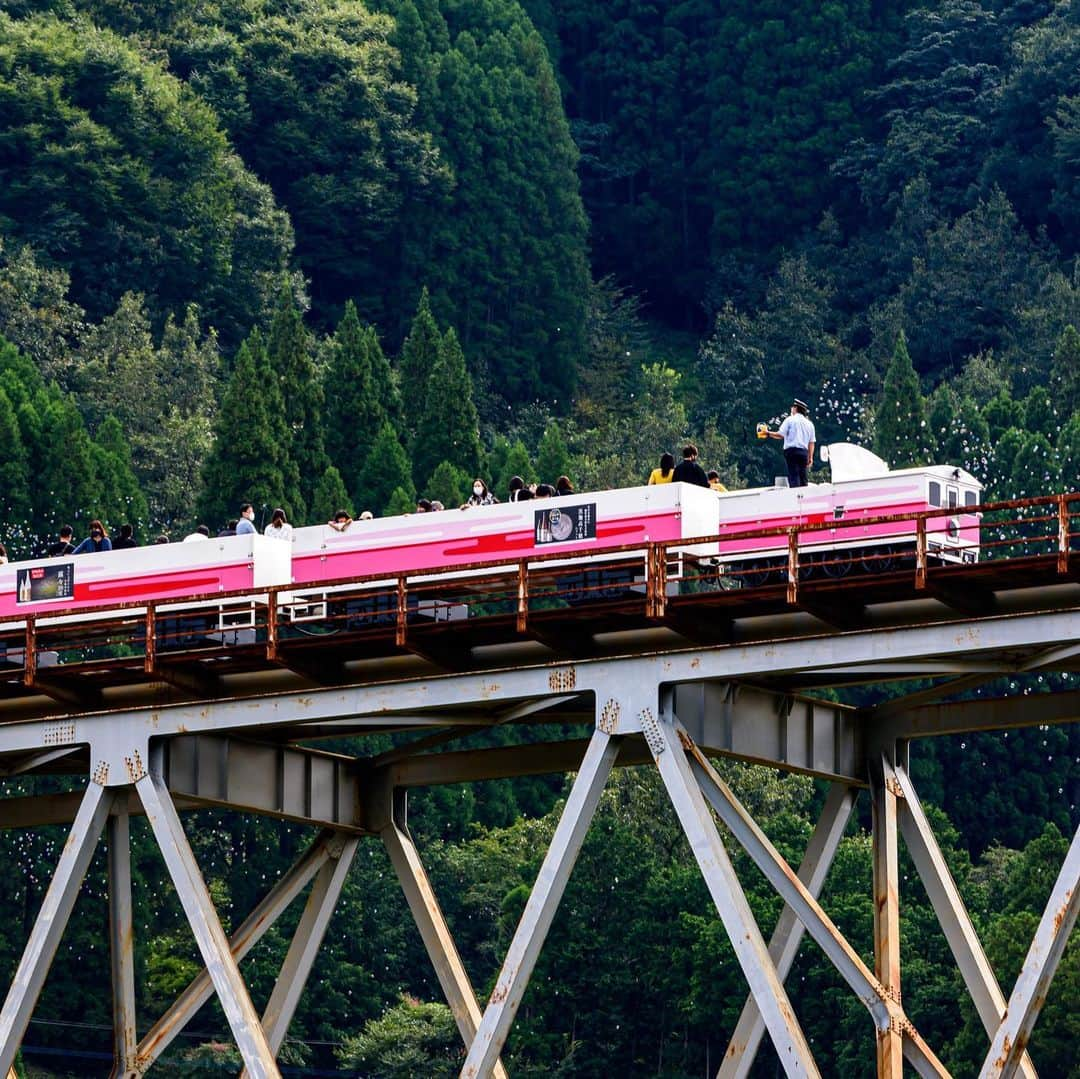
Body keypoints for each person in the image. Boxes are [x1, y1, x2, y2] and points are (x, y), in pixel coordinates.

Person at [766, 399, 816, 488]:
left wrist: (768, 433)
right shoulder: (810, 424)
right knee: (803, 476)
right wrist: (810, 457)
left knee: (794, 475)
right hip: (804, 452)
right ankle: (804, 496)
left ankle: (795, 495)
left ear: (796, 408)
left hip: (791, 451)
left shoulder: (790, 420)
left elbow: (780, 435)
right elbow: (811, 442)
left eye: (792, 407)